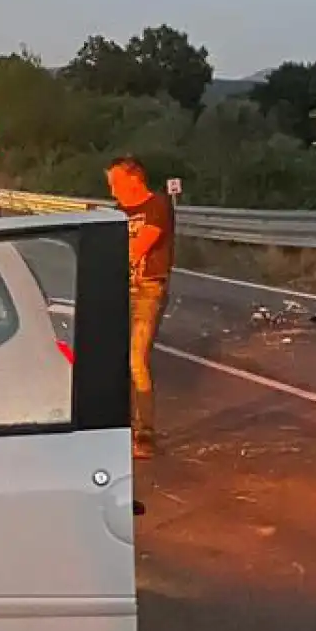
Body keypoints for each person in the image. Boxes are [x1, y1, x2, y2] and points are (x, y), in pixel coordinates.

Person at [105, 155, 175, 459]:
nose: (112, 191)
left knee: (136, 359)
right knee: (118, 361)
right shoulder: (117, 212)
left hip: (148, 288)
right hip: (122, 289)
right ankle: (122, 428)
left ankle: (145, 433)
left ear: (134, 179)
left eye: (116, 183)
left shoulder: (157, 205)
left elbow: (137, 247)